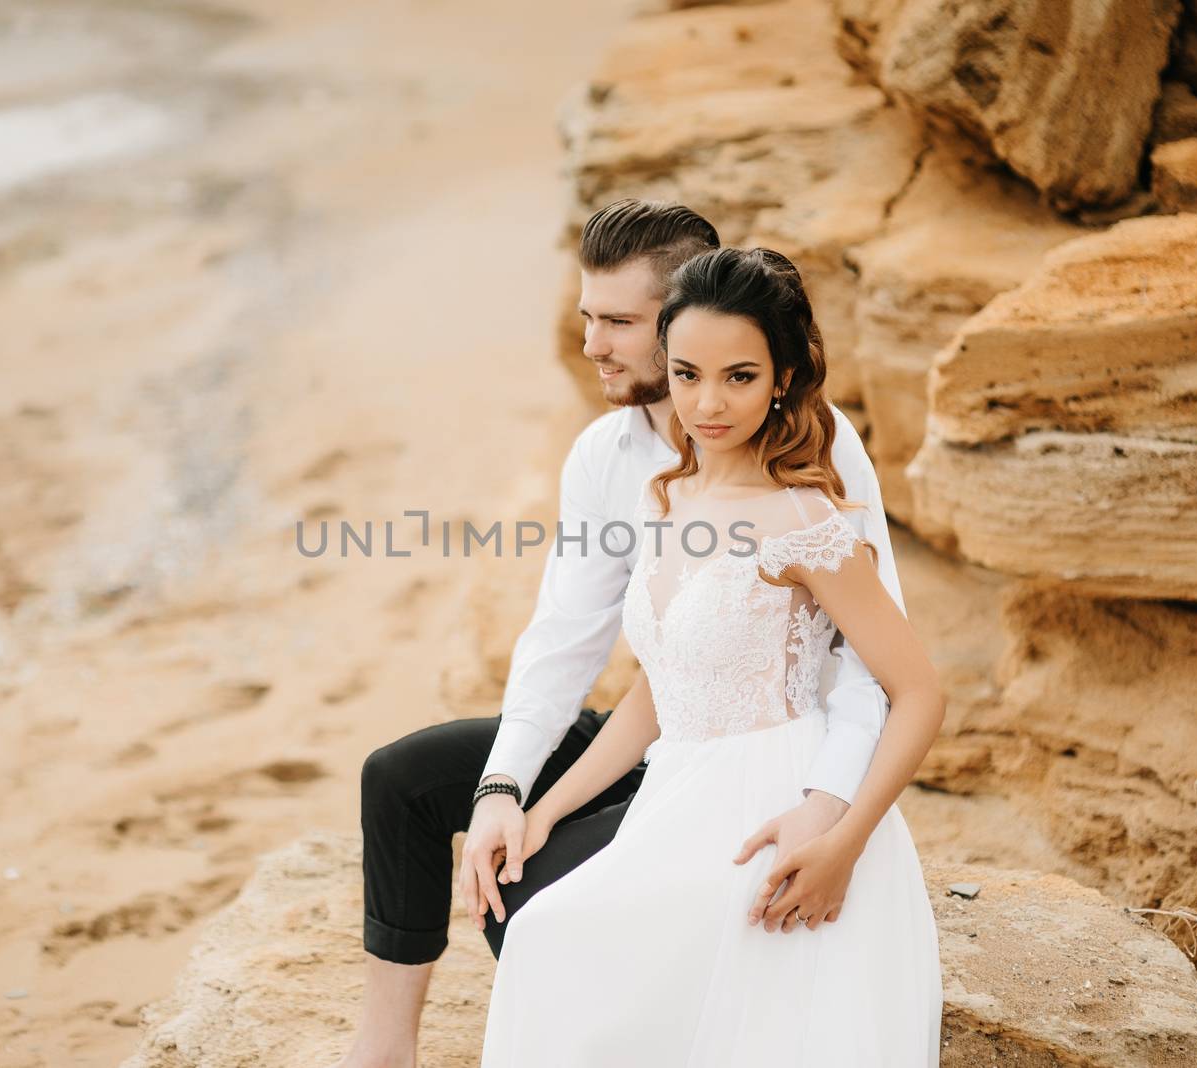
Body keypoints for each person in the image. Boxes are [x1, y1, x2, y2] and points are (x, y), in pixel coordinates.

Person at [332, 200, 906, 1068]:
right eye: (587, 316)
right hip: (663, 725)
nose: (593, 344)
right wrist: (505, 791)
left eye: (619, 322)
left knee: (535, 902)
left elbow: (874, 675)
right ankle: (383, 1053)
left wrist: (829, 815)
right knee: (405, 781)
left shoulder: (816, 457)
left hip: (769, 757)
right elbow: (566, 644)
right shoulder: (612, 458)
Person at [480, 246, 944, 1065]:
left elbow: (917, 693)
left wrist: (842, 840)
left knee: (557, 947)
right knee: (543, 933)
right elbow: (656, 697)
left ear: (783, 378)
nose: (708, 402)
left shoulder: (805, 518)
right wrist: (545, 807)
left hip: (773, 808)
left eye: (738, 376)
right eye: (688, 374)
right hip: (680, 794)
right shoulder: (668, 499)